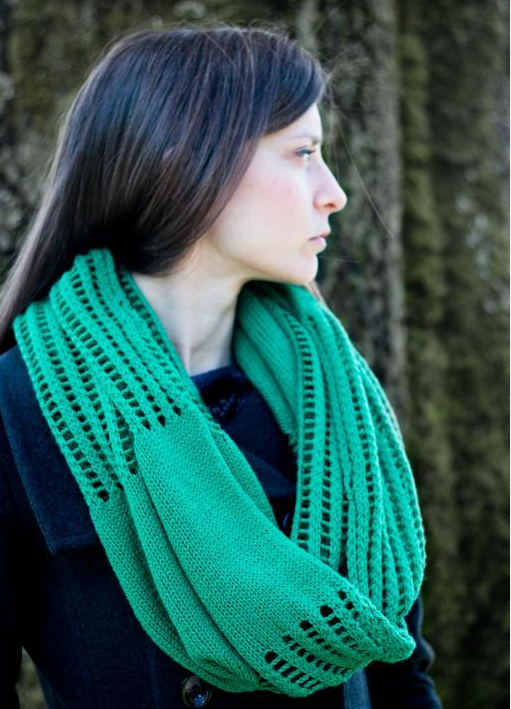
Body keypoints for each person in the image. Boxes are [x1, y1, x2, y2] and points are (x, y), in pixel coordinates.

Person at [0, 23, 443, 709]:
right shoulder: (19, 409)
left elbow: (398, 675)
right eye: (302, 154)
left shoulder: (337, 397)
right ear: (184, 159)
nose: (333, 193)